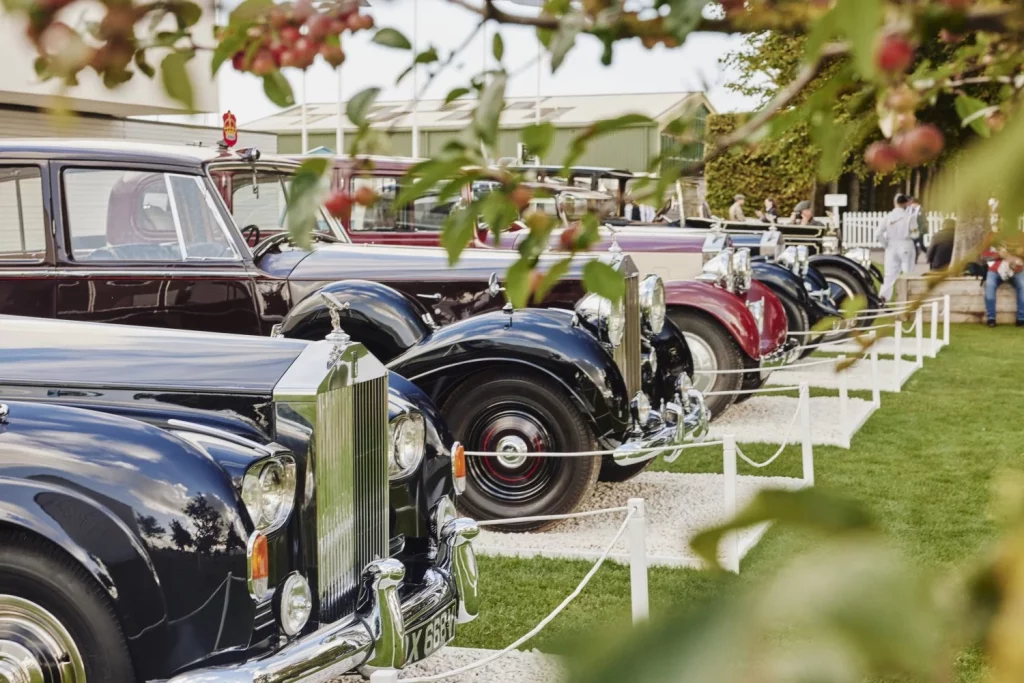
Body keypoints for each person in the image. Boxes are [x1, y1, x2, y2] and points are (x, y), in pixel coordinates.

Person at [877, 193, 916, 302]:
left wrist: (885, 244)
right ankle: (907, 299)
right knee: (907, 272)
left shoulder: (888, 217)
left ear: (895, 203)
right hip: (906, 244)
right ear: (905, 203)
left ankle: (884, 297)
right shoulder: (910, 217)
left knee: (889, 274)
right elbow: (915, 234)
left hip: (891, 246)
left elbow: (878, 234)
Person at [981, 234, 1024, 327]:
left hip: (1016, 269)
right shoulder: (991, 236)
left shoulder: (1021, 235)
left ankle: (1021, 318)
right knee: (990, 285)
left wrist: (1019, 254)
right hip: (995, 269)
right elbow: (983, 258)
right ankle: (991, 318)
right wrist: (998, 255)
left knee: (1023, 285)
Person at [907, 197, 927, 262]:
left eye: (912, 203)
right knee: (914, 244)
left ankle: (929, 255)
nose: (911, 205)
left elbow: (923, 222)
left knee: (922, 246)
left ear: (916, 203)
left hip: (920, 231)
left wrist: (920, 231)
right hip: (914, 230)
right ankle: (914, 259)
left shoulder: (921, 210)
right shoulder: (911, 210)